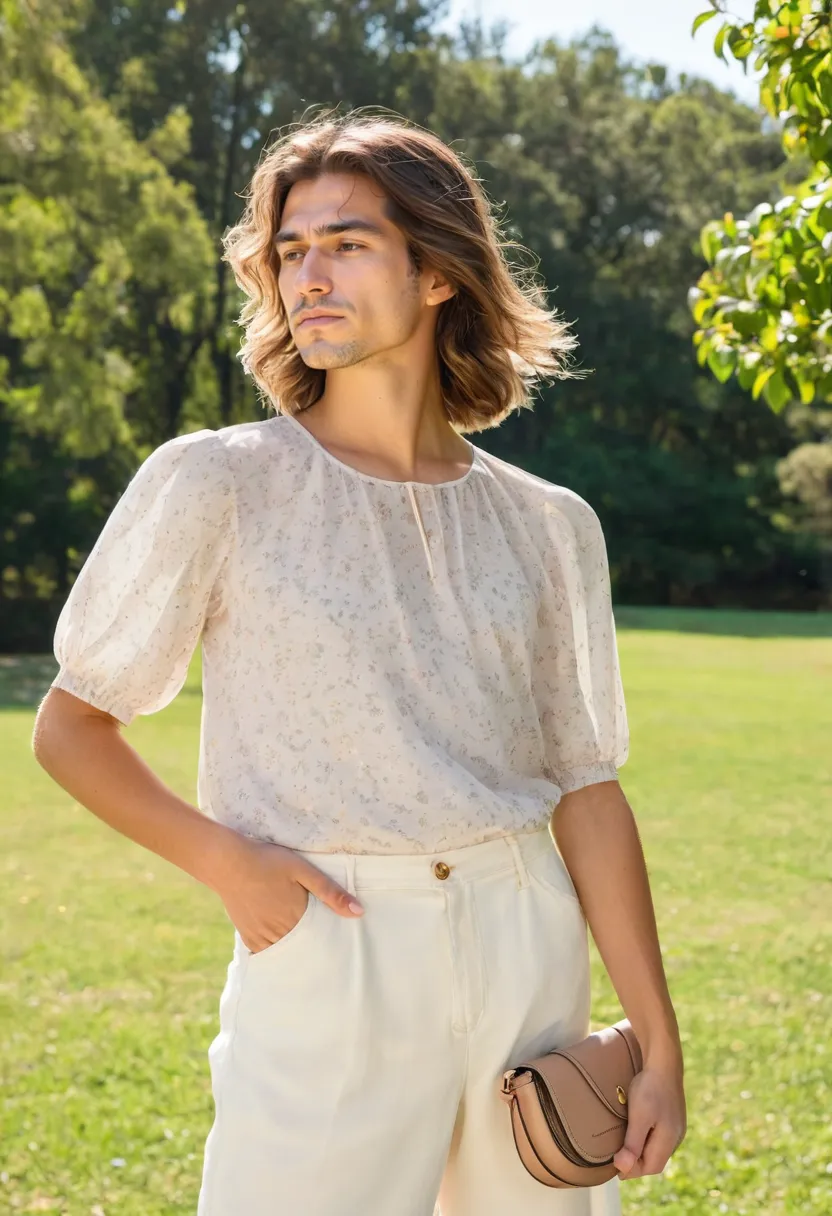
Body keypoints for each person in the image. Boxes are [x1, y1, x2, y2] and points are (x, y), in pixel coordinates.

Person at [32, 110, 686, 1216]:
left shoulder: (548, 523)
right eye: (290, 251)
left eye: (345, 243)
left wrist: (657, 1042)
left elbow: (586, 785)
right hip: (332, 941)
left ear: (437, 272)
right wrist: (229, 864)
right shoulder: (222, 482)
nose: (308, 277)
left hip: (524, 942)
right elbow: (72, 724)